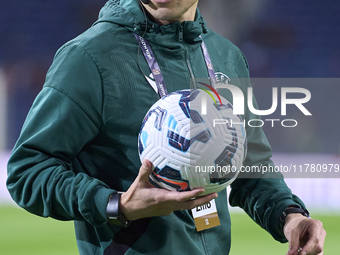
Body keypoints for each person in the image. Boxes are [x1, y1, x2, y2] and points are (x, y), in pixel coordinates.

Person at [7, 0, 326, 254]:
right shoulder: (89, 57)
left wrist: (289, 216)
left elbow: (250, 165)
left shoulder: (225, 57)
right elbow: (28, 170)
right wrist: (118, 204)